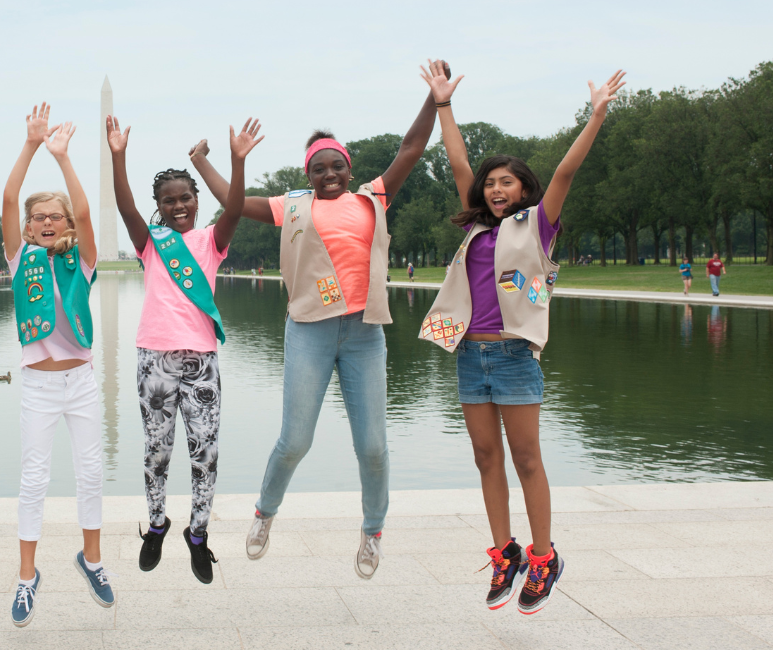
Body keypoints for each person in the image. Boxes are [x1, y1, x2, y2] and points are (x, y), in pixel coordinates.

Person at [192, 66, 444, 580]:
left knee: (373, 446)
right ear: (307, 174)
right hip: (309, 329)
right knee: (295, 440)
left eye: (337, 167)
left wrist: (433, 100)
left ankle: (372, 531)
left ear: (349, 169)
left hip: (364, 333)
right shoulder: (293, 207)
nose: (329, 176)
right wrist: (209, 163)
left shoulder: (372, 198)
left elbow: (411, 150)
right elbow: (233, 204)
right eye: (319, 169)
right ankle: (264, 512)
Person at [420, 60, 625, 614]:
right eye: (489, 183)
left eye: (505, 181)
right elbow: (458, 159)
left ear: (524, 189)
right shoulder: (478, 227)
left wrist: (596, 114)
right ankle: (504, 552)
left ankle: (542, 557)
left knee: (526, 458)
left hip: (513, 355)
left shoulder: (537, 224)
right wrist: (444, 104)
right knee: (487, 457)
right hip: (470, 353)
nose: (494, 189)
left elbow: (564, 173)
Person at [107, 114, 262, 584]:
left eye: (186, 198)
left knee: (204, 453)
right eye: (169, 200)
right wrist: (118, 155)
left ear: (197, 201)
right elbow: (124, 206)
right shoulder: (151, 243)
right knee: (157, 450)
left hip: (201, 362)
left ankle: (198, 534)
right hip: (153, 358)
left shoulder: (211, 240)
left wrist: (236, 162)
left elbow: (234, 207)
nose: (178, 205)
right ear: (159, 206)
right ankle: (156, 524)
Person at [1, 103, 113, 626]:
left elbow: (89, 215)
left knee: (91, 472)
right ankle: (28, 576)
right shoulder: (19, 259)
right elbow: (6, 197)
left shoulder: (81, 260)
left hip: (82, 382)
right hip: (39, 388)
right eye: (38, 217)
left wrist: (64, 158)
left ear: (65, 222)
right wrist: (30, 145)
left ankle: (91, 559)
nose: (47, 223)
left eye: (55, 216)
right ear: (27, 226)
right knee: (34, 479)